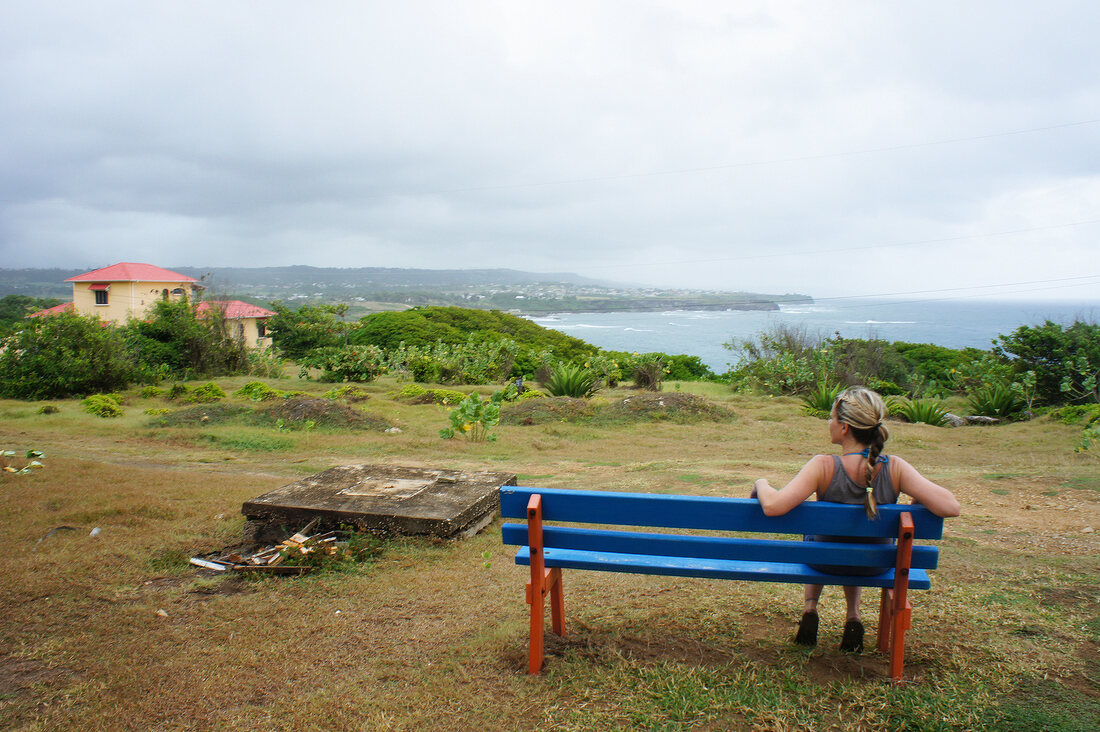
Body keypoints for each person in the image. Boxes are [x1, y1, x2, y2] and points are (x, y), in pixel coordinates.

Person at [749, 386, 961, 654]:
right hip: (874, 566)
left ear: (845, 427)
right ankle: (853, 616)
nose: (829, 423)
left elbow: (773, 507)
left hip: (825, 562)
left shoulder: (823, 466)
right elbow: (950, 506)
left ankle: (810, 608)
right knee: (858, 544)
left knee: (815, 538)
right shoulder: (895, 467)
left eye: (832, 418)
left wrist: (762, 483)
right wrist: (916, 502)